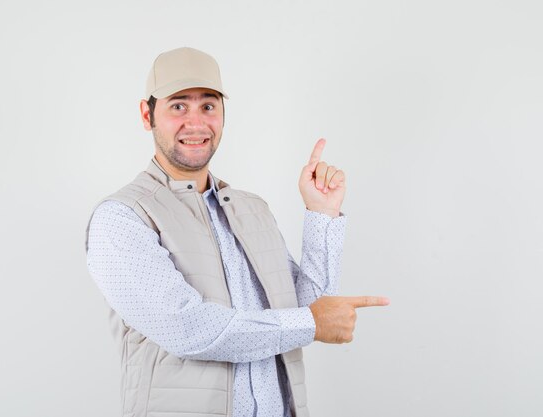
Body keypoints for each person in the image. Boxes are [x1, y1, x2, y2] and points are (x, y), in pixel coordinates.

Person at [85, 47, 389, 417]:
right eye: (178, 106)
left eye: (208, 106)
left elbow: (309, 307)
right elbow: (187, 328)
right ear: (147, 115)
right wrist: (312, 322)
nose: (195, 123)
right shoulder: (121, 217)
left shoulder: (252, 209)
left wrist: (321, 213)